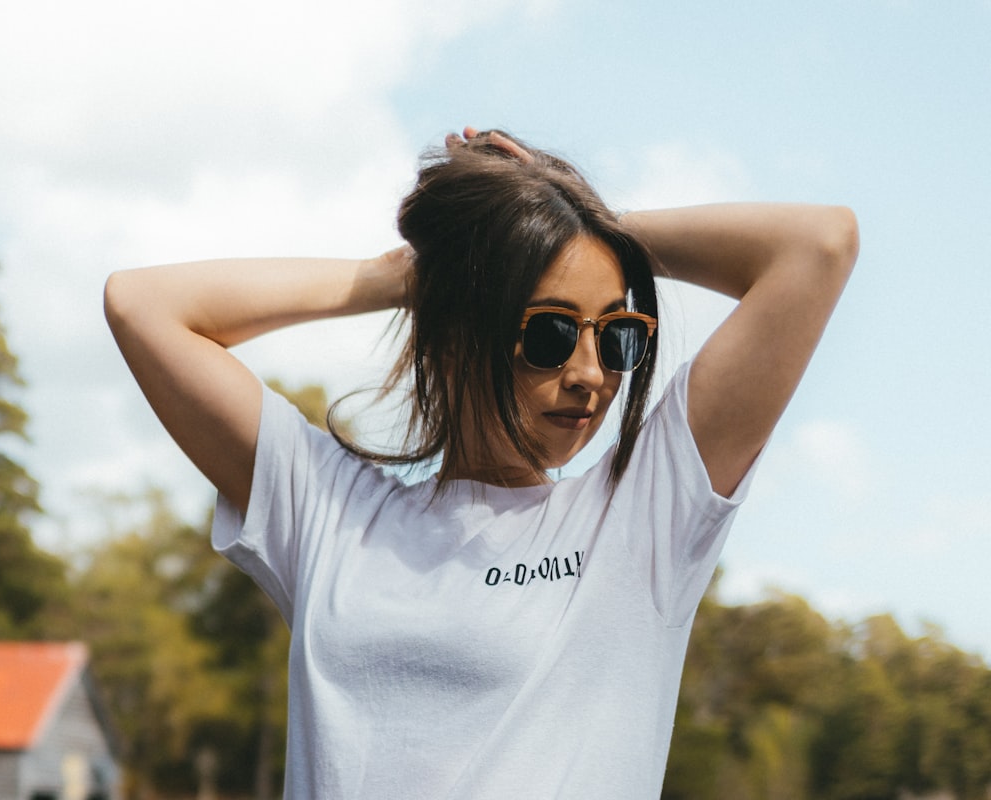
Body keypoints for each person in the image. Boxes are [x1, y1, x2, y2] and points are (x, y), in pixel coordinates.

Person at [104, 127, 859, 798]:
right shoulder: (329, 513)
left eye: (618, 335)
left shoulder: (640, 522)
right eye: (553, 332)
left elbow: (818, 245)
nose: (592, 373)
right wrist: (415, 273)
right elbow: (143, 303)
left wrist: (572, 217)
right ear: (458, 330)